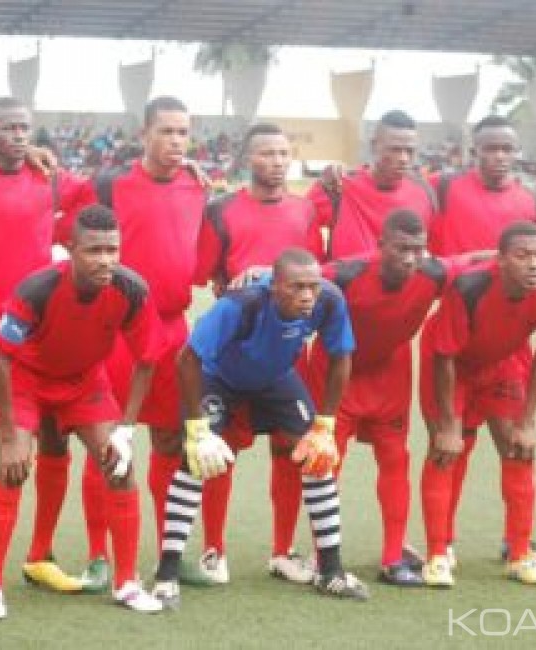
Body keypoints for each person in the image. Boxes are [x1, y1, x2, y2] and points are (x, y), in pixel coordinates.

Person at [0, 96, 96, 603]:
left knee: (52, 440)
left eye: (25, 128)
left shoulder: (50, 179)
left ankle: (40, 556)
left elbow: (104, 198)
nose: (19, 136)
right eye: (7, 128)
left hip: (35, 333)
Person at [150, 248, 368, 606]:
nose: (307, 296)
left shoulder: (329, 300)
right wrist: (196, 430)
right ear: (274, 287)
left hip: (276, 378)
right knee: (195, 463)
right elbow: (187, 359)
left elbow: (341, 357)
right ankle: (166, 575)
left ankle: (332, 571)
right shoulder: (243, 303)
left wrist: (325, 425)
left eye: (312, 286)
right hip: (217, 378)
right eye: (296, 288)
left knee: (319, 458)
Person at [0, 205, 164, 619]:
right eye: (94, 250)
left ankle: (127, 583)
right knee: (13, 469)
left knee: (120, 468)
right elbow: (0, 359)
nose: (105, 260)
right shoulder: (37, 289)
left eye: (113, 250)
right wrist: (8, 438)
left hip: (84, 383)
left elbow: (147, 360)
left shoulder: (133, 290)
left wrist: (126, 430)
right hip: (27, 380)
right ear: (70, 249)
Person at [58, 96, 210, 590]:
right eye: (166, 131)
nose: (176, 142)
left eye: (184, 133)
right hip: (116, 329)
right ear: (144, 134)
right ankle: (99, 555)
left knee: (171, 439)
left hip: (172, 328)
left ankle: (170, 552)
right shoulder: (108, 185)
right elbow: (68, 233)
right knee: (106, 444)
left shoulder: (197, 185)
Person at [302, 209, 466, 586]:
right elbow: (294, 277)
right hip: (335, 373)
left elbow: (476, 261)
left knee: (395, 459)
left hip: (390, 372)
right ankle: (324, 555)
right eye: (401, 249)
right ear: (380, 246)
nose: (410, 258)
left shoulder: (433, 273)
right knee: (326, 462)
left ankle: (393, 557)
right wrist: (255, 275)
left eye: (418, 250)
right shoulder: (346, 273)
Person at [190, 122, 321, 584]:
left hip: (286, 352)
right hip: (234, 352)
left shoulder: (305, 211)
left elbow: (315, 272)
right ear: (249, 158)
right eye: (267, 154)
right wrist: (242, 283)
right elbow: (204, 273)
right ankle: (213, 550)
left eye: (284, 153)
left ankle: (283, 551)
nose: (278, 162)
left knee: (290, 449)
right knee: (221, 449)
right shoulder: (222, 211)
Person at [419, 221, 536, 588]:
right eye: (522, 256)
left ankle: (520, 554)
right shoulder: (470, 287)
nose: (534, 265)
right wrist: (450, 425)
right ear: (501, 261)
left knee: (519, 449)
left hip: (504, 362)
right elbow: (444, 358)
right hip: (450, 364)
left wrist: (527, 421)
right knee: (447, 450)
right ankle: (439, 554)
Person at [426, 115, 536, 563]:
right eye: (490, 148)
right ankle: (445, 541)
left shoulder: (532, 199)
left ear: (517, 152)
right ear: (473, 151)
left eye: (507, 149)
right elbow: (395, 191)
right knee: (453, 441)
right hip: (459, 324)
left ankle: (517, 542)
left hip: (511, 337)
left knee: (515, 441)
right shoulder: (444, 186)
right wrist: (340, 176)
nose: (499, 157)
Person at [307, 109, 436, 260]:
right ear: (374, 146)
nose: (403, 158)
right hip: (345, 283)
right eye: (395, 149)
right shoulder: (337, 185)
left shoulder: (424, 193)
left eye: (409, 151)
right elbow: (297, 224)